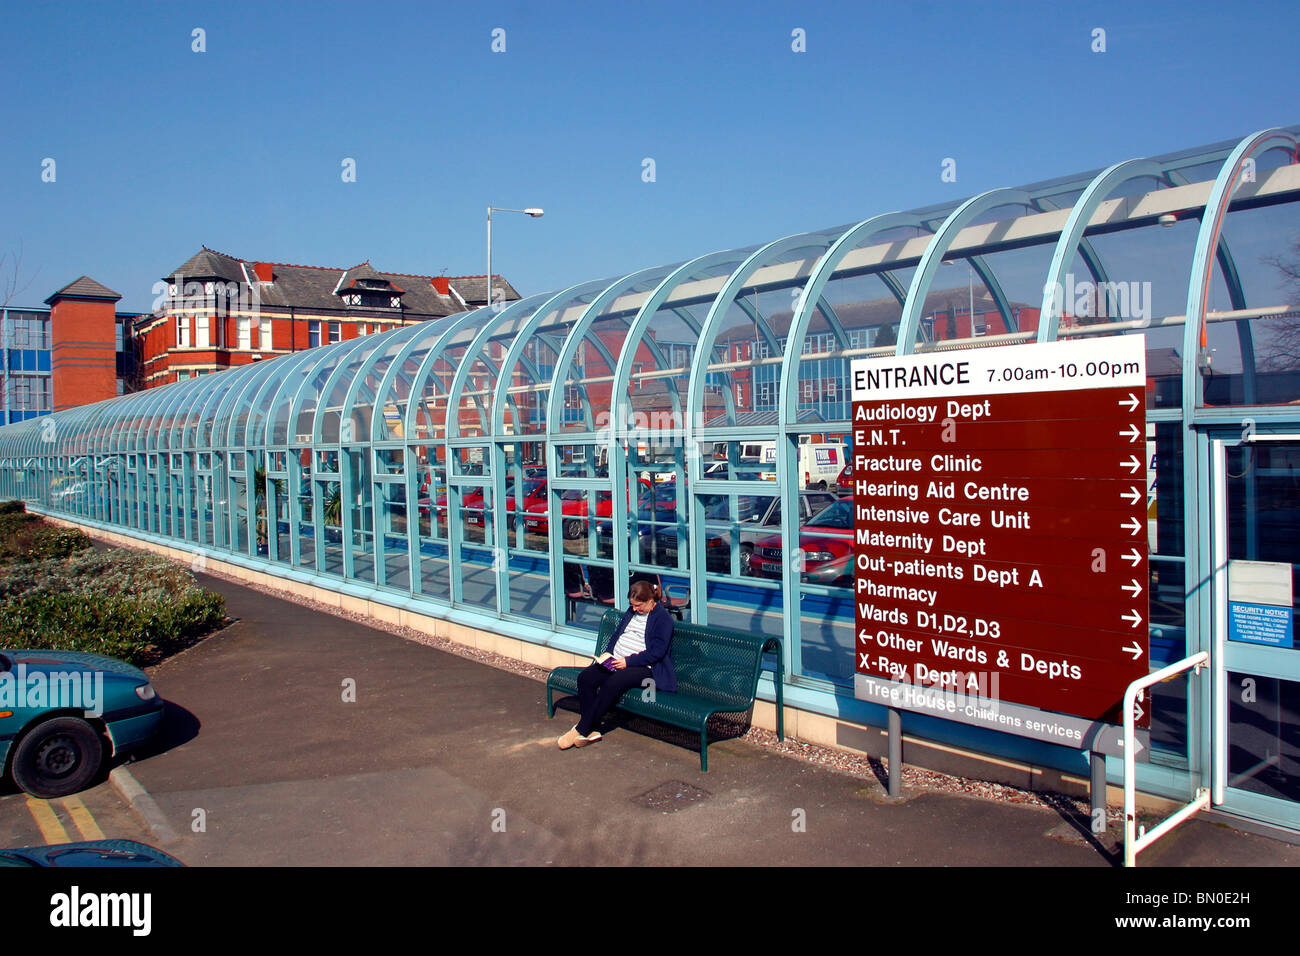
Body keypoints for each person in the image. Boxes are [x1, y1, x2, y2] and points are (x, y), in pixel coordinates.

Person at [558, 579, 676, 750]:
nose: (634, 609)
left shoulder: (662, 619)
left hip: (644, 668)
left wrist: (628, 661)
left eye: (638, 606)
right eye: (632, 605)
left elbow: (656, 652)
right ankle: (593, 729)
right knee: (586, 678)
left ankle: (581, 729)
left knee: (613, 682)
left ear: (651, 601)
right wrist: (608, 655)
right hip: (617, 660)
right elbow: (617, 635)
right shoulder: (631, 612)